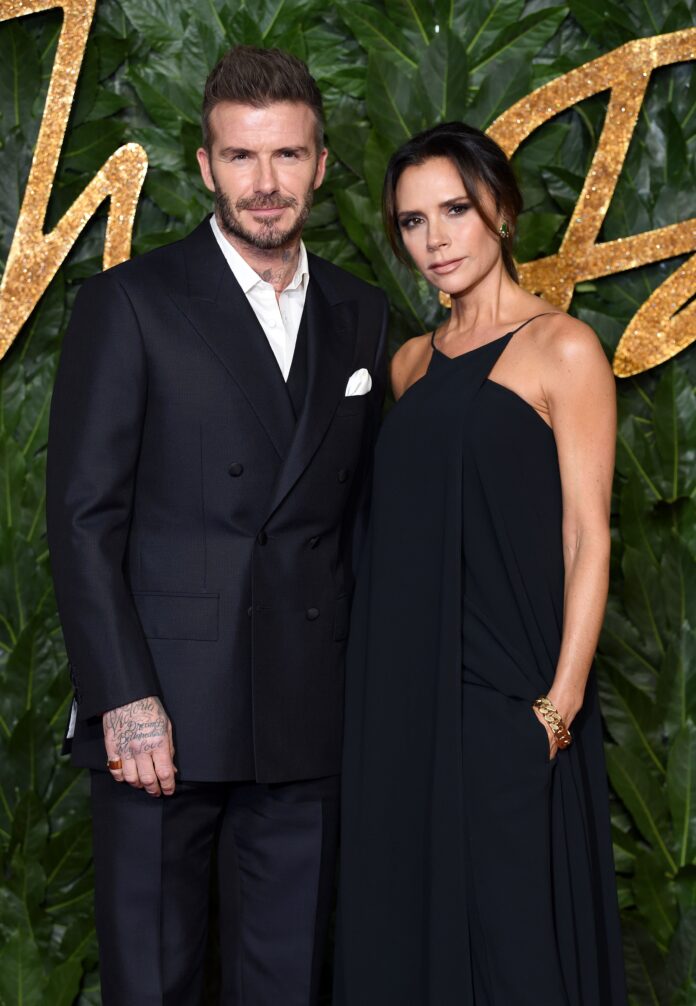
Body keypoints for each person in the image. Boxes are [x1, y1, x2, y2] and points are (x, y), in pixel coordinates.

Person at [46, 45, 388, 1006]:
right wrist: (124, 699)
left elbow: (359, 523)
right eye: (241, 156)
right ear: (205, 165)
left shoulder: (362, 313)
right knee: (153, 983)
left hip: (305, 713)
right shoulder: (131, 302)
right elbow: (82, 517)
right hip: (161, 715)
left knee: (286, 985)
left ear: (321, 163)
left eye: (287, 155)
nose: (265, 182)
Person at [333, 122, 627, 1005]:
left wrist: (556, 712)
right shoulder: (409, 365)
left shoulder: (563, 348)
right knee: (410, 944)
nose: (436, 239)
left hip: (510, 706)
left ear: (499, 208)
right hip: (402, 707)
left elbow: (588, 535)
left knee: (516, 952)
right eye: (413, 221)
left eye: (455, 210)